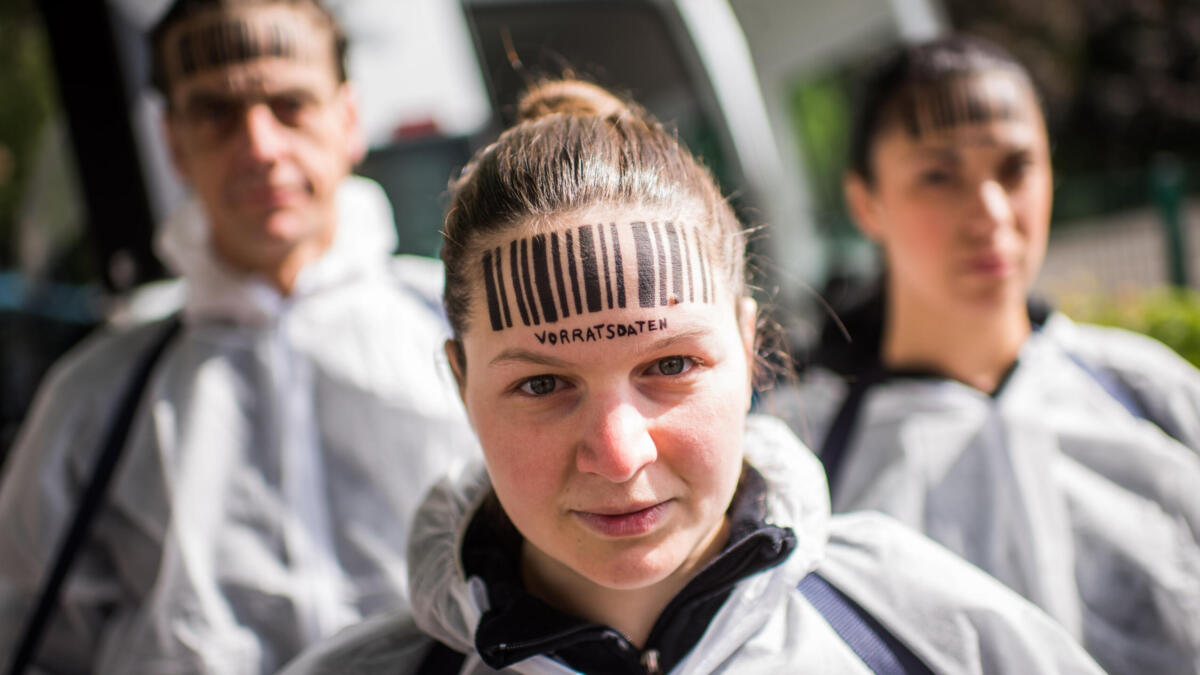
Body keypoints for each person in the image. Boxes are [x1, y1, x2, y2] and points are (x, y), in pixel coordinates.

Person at [279, 78, 1103, 674]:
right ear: (461, 380)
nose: (618, 451)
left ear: (748, 351)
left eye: (670, 364)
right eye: (542, 383)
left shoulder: (931, 630)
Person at [0, 0, 477, 671]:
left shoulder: (473, 339)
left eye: (290, 104)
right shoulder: (98, 397)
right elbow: (31, 636)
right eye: (215, 111)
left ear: (348, 119)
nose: (258, 145)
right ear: (173, 142)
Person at [768, 35, 1200, 675]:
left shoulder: (1150, 395)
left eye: (1017, 167)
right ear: (866, 202)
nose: (991, 211)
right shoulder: (797, 455)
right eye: (939, 176)